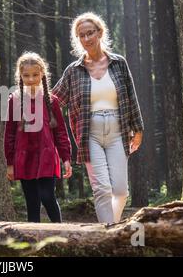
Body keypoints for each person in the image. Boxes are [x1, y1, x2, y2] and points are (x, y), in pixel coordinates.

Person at [52, 12, 144, 224]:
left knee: (120, 191)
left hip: (118, 131)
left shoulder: (119, 63)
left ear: (100, 32)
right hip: (89, 133)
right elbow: (53, 100)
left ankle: (109, 229)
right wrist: (27, 95)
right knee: (101, 189)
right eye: (81, 35)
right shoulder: (73, 71)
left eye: (90, 33)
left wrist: (138, 129)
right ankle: (109, 235)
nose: (86, 39)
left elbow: (131, 97)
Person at [4, 52, 72, 223]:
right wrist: (10, 162)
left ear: (42, 74)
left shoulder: (52, 101)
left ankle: (60, 233)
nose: (31, 79)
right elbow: (10, 133)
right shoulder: (15, 100)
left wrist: (66, 158)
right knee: (32, 202)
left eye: (35, 75)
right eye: (26, 75)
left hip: (47, 156)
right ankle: (33, 244)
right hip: (24, 157)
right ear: (20, 76)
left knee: (47, 196)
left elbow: (61, 132)